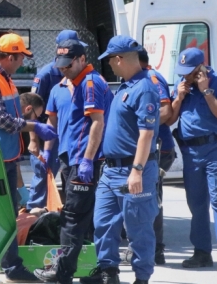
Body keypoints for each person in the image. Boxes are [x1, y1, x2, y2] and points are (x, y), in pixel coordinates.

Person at [34, 39, 113, 284]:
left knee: (72, 217)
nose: (64, 68)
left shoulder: (91, 83)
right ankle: (92, 270)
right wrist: (47, 151)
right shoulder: (60, 86)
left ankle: (62, 270)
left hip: (84, 160)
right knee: (81, 216)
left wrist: (88, 160)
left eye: (69, 64)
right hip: (68, 159)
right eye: (61, 65)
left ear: (81, 59)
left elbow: (97, 123)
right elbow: (52, 123)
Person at [0, 33, 58, 282]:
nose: (22, 63)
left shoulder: (6, 79)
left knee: (8, 214)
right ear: (10, 56)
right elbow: (2, 120)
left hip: (7, 156)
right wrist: (34, 127)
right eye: (20, 58)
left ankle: (11, 266)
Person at [93, 35, 160, 284]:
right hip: (111, 171)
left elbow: (146, 134)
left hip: (132, 169)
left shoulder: (144, 88)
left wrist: (137, 171)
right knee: (103, 223)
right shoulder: (126, 86)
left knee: (138, 228)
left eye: (110, 59)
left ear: (119, 59)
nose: (108, 64)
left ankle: (141, 278)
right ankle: (108, 272)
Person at [166, 47, 217, 274]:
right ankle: (201, 252)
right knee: (196, 203)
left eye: (189, 72)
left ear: (200, 69)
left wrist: (206, 92)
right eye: (182, 72)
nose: (184, 76)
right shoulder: (182, 86)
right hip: (191, 152)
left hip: (216, 148)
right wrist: (179, 97)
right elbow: (169, 120)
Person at [121, 49, 173, 266]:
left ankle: (155, 250)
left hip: (158, 149)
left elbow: (166, 110)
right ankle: (149, 249)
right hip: (150, 148)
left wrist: (142, 124)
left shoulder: (150, 78)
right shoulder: (142, 79)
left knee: (150, 200)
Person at [28, 30, 87, 209]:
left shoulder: (81, 73)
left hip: (69, 136)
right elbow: (30, 108)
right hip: (48, 135)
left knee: (69, 178)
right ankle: (34, 215)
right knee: (43, 175)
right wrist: (33, 140)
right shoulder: (46, 74)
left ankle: (57, 212)